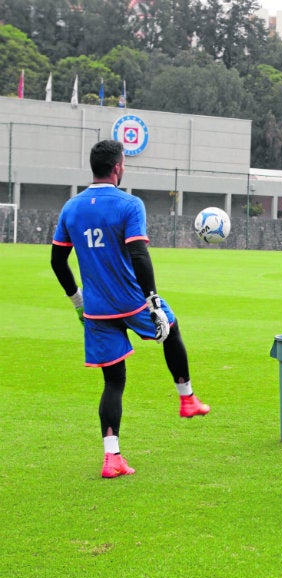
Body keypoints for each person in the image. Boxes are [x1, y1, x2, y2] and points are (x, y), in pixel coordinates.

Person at [51, 139, 210, 479]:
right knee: (172, 328)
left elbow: (57, 261)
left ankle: (112, 458)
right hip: (132, 301)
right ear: (118, 167)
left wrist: (78, 302)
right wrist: (152, 301)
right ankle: (187, 399)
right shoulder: (130, 204)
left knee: (113, 382)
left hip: (96, 310)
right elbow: (138, 254)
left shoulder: (71, 208)